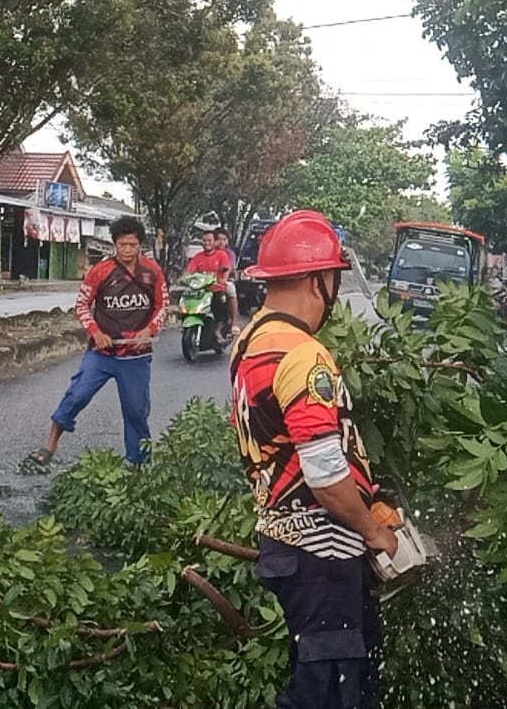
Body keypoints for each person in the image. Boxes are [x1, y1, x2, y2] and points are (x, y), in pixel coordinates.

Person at [230, 210, 395, 709]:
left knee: (329, 677)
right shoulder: (302, 355)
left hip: (288, 545)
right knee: (329, 692)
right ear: (318, 280)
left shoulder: (250, 341)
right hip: (321, 549)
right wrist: (373, 530)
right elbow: (324, 474)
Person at [28, 215, 166, 467]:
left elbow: (162, 305)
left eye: (132, 245)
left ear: (140, 245)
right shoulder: (100, 271)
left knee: (136, 411)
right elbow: (81, 305)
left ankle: (138, 463)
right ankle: (50, 446)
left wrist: (149, 329)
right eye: (122, 244)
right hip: (102, 354)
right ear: (115, 244)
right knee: (76, 396)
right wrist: (94, 331)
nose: (127, 250)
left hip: (136, 356)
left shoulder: (153, 272)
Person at [185, 228, 236, 337]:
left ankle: (220, 329)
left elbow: (227, 268)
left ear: (215, 242)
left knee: (220, 305)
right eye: (204, 241)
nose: (206, 243)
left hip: (217, 288)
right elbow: (189, 272)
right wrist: (186, 278)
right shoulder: (198, 257)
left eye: (209, 241)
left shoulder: (222, 255)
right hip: (202, 289)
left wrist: (223, 279)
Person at [218, 228, 242, 323]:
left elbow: (230, 267)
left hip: (226, 280)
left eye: (224, 239)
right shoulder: (209, 253)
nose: (221, 242)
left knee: (231, 291)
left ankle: (234, 323)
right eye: (219, 239)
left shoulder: (230, 254)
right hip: (209, 281)